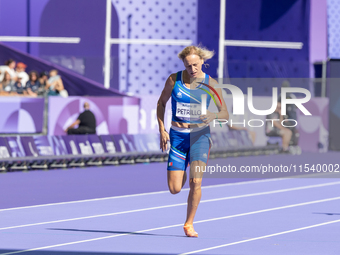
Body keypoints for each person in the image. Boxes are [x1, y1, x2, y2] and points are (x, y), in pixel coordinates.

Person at [157, 45, 228, 237]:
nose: (193, 69)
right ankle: (184, 162)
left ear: (203, 62)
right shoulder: (174, 80)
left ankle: (189, 223)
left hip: (200, 137)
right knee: (174, 189)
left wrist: (213, 115)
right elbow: (161, 103)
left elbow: (224, 113)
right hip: (178, 137)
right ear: (184, 65)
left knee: (196, 181)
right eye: (188, 66)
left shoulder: (210, 83)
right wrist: (161, 129)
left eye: (195, 65)